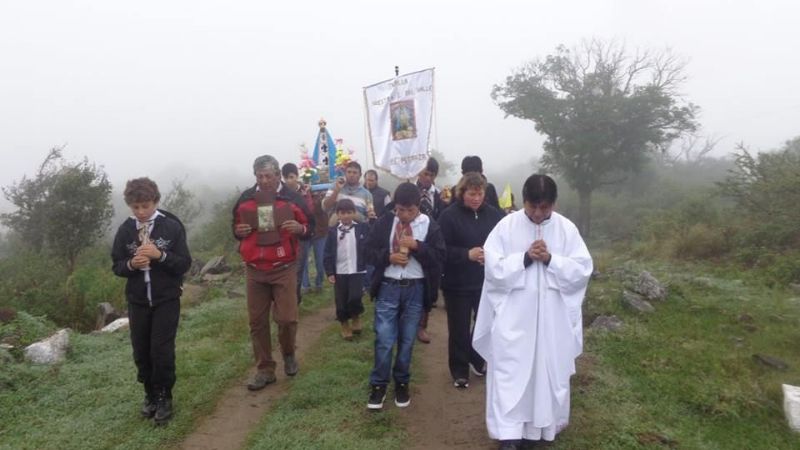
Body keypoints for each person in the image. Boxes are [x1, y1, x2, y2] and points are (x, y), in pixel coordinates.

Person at [472, 174, 593, 449]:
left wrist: (551, 260)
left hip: (552, 321)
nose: (538, 214)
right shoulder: (506, 227)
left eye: (544, 207)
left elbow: (582, 270)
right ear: (524, 200)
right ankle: (509, 434)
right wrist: (525, 258)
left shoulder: (566, 230)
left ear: (554, 203)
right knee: (510, 374)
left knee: (546, 373)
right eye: (532, 206)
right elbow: (493, 269)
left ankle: (539, 431)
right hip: (514, 321)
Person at [111, 177, 191, 425]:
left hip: (166, 299)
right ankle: (150, 394)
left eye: (145, 206)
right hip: (137, 301)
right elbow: (117, 265)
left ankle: (164, 395)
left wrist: (160, 255)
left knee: (161, 350)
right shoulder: (126, 230)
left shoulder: (171, 226)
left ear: (155, 201)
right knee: (141, 350)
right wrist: (131, 264)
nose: (141, 212)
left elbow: (184, 263)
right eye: (135, 207)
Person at [232, 155, 311, 391]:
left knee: (287, 319)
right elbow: (235, 227)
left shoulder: (292, 198)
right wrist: (239, 231)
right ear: (255, 176)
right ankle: (265, 369)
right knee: (257, 322)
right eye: (260, 176)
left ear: (278, 175)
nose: (264, 181)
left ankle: (288, 353)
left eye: (269, 176)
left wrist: (300, 228)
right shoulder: (246, 199)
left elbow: (311, 226)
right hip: (255, 269)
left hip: (284, 267)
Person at [365, 182, 445, 410]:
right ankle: (379, 384)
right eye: (400, 210)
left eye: (410, 210)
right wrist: (388, 257)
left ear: (418, 206)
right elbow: (367, 251)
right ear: (395, 206)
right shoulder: (385, 222)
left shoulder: (429, 225)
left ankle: (402, 381)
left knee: (408, 339)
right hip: (388, 286)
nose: (405, 215)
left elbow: (440, 257)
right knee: (384, 338)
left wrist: (418, 247)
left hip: (415, 288)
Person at [437, 172, 504, 389]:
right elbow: (441, 249)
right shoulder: (448, 216)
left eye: (480, 194)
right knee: (459, 327)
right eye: (472, 194)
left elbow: (504, 243)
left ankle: (477, 358)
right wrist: (466, 254)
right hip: (456, 283)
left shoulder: (494, 216)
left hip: (486, 281)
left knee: (486, 323)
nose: (476, 198)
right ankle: (459, 370)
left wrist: (491, 256)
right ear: (462, 193)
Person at [323, 199, 369, 340]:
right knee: (341, 300)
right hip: (340, 271)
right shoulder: (333, 232)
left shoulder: (361, 228)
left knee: (355, 297)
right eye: (342, 213)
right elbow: (327, 253)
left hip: (357, 270)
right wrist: (330, 272)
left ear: (354, 213)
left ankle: (355, 316)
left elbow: (370, 242)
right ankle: (344, 324)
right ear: (338, 214)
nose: (346, 216)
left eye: (349, 212)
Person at [414, 157, 445, 343]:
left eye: (432, 175)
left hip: (431, 246)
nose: (428, 178)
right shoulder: (409, 191)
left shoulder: (440, 195)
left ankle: (422, 325)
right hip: (411, 243)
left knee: (430, 288)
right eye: (425, 173)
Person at [282, 163, 317, 298]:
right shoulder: (280, 193)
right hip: (285, 237)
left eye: (291, 177)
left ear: (297, 176)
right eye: (286, 178)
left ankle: (295, 299)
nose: (289, 181)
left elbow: (310, 212)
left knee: (298, 268)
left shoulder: (305, 191)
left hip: (302, 235)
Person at [322, 161, 375, 226]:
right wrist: (337, 190)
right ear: (345, 173)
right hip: (336, 229)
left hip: (357, 229)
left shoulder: (367, 194)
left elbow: (369, 218)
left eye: (355, 173)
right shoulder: (335, 186)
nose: (351, 175)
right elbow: (325, 207)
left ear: (360, 175)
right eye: (349, 172)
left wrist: (355, 215)